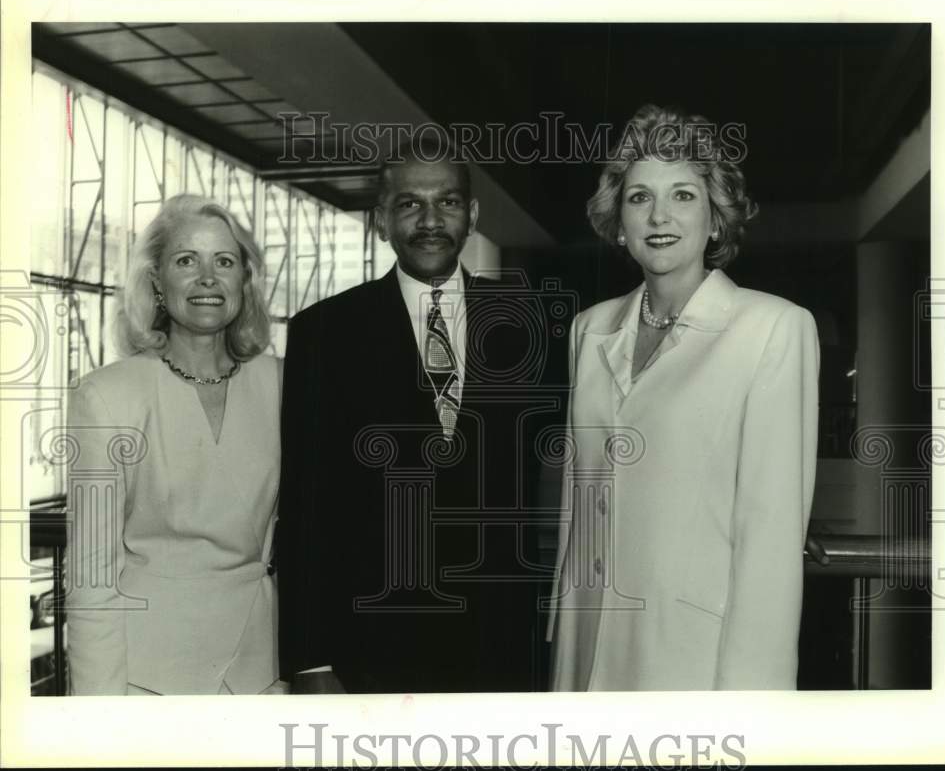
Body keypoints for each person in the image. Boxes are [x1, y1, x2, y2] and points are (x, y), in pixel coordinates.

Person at [547, 104, 820, 691]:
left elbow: (770, 535)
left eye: (683, 195)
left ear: (716, 219)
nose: (660, 215)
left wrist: (752, 704)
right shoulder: (589, 329)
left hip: (695, 661)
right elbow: (581, 510)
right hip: (586, 644)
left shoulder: (772, 328)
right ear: (618, 221)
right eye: (640, 197)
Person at [277, 136, 542, 694]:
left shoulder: (530, 323)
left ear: (471, 215)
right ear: (380, 220)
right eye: (408, 204)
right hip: (370, 648)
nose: (429, 220)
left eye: (447, 202)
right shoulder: (324, 333)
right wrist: (309, 660)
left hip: (500, 647)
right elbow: (305, 508)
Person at [65, 194, 284, 695]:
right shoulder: (107, 396)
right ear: (157, 283)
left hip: (262, 673)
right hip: (149, 680)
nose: (207, 277)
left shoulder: (281, 385)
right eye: (187, 260)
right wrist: (99, 717)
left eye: (224, 261)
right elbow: (92, 579)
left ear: (243, 282)